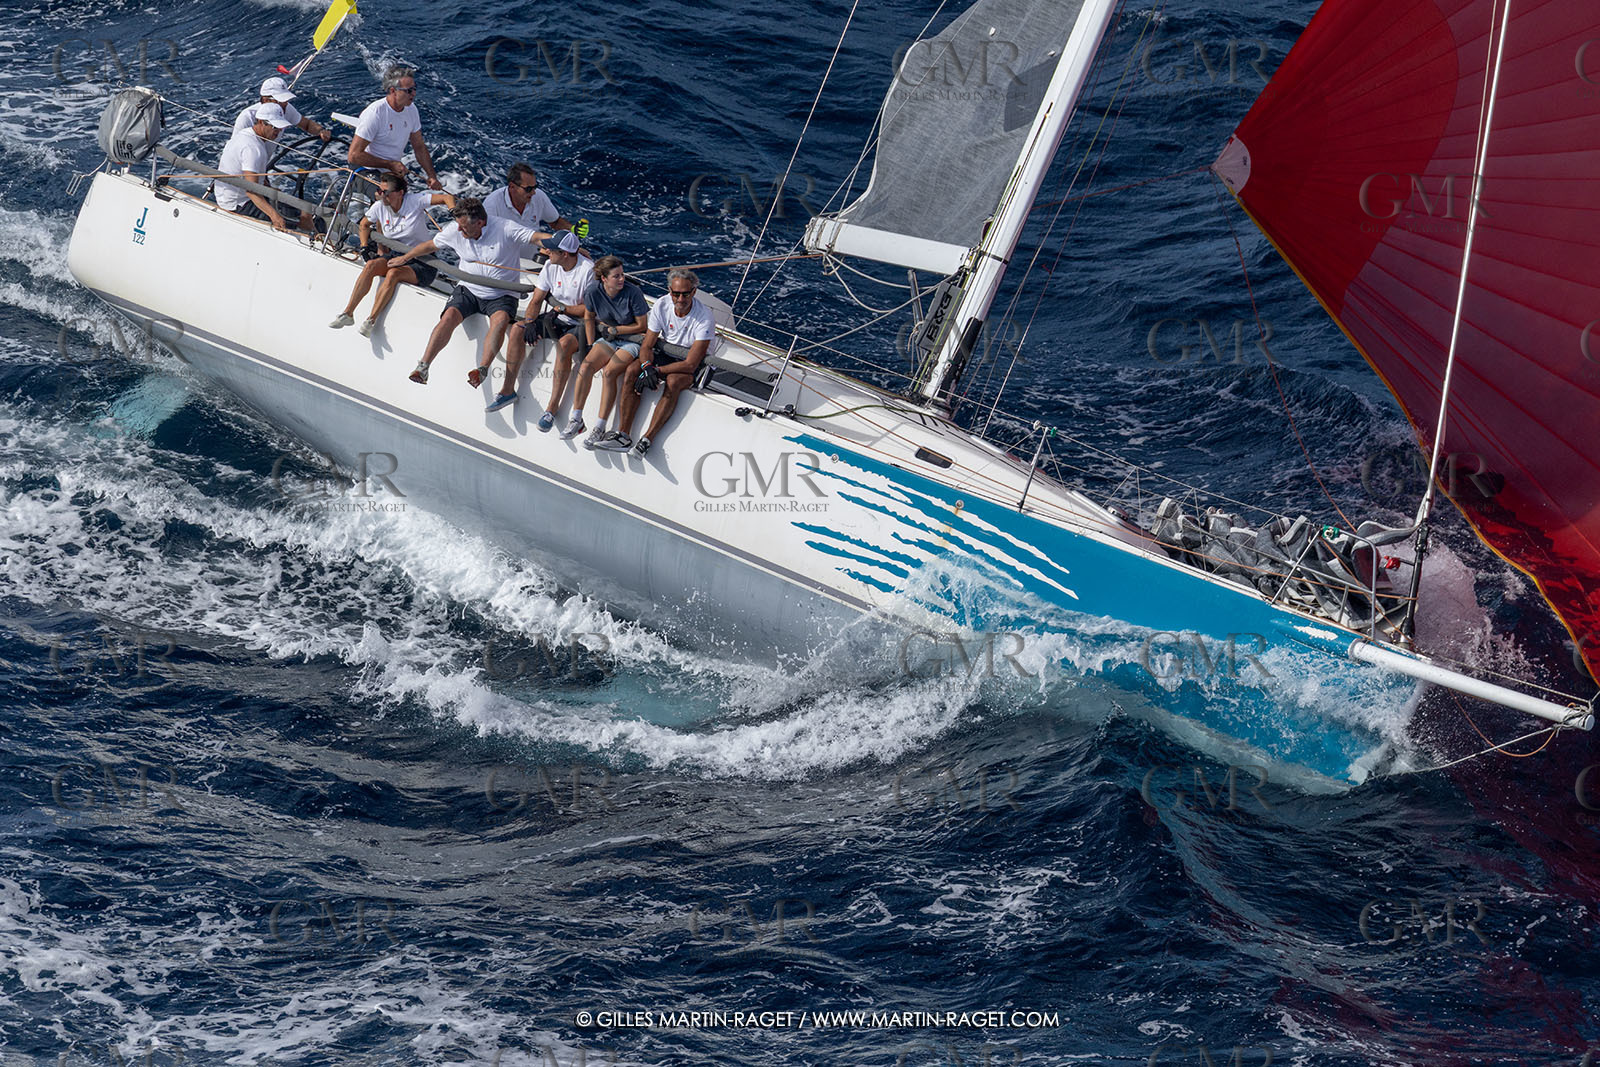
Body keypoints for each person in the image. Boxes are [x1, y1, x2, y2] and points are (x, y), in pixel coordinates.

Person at [384, 198, 539, 385]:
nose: (459, 230)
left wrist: (568, 247)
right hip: (468, 289)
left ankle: (482, 369)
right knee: (448, 317)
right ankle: (423, 366)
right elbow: (430, 246)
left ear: (480, 223)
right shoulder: (455, 229)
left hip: (501, 294)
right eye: (458, 225)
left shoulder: (505, 228)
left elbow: (538, 238)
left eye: (464, 226)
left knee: (499, 321)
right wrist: (405, 257)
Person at [594, 269, 718, 455]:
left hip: (694, 363)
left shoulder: (704, 317)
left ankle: (647, 440)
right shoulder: (662, 304)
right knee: (633, 370)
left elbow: (691, 364)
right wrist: (647, 367)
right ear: (670, 291)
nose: (681, 299)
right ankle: (623, 436)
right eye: (676, 294)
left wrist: (656, 372)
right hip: (667, 353)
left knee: (674, 381)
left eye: (686, 294)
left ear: (693, 292)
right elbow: (646, 346)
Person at [328, 173, 455, 336]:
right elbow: (364, 224)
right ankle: (348, 313)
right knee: (371, 265)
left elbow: (447, 198)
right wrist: (364, 246)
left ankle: (371, 320)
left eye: (385, 192)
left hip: (423, 262)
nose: (380, 195)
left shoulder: (414, 201)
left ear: (400, 193)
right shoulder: (380, 206)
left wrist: (453, 213)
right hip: (397, 255)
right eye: (379, 191)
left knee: (394, 273)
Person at [488, 231, 594, 420]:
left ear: (565, 254)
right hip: (555, 317)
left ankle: (552, 408)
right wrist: (529, 323)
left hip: (580, 323)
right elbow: (536, 300)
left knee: (564, 346)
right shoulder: (550, 265)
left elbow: (589, 310)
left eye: (551, 249)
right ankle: (507, 391)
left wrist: (562, 309)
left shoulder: (588, 271)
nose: (546, 250)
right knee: (517, 331)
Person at [565, 256, 648, 442]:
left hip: (631, 341)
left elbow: (642, 325)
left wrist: (618, 330)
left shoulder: (633, 292)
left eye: (622, 275)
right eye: (616, 276)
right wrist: (589, 344)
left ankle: (600, 427)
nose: (622, 279)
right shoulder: (593, 291)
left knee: (609, 372)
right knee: (585, 367)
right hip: (609, 338)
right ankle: (576, 419)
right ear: (604, 278)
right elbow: (589, 316)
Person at [215, 103, 310, 233]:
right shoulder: (253, 149)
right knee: (301, 219)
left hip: (226, 196)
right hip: (238, 203)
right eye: (274, 127)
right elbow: (251, 191)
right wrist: (275, 216)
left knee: (304, 210)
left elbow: (254, 177)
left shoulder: (245, 134)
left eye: (280, 127)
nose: (278, 131)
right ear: (261, 122)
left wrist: (272, 191)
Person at [347, 66, 442, 191]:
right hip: (364, 169)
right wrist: (389, 164)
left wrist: (432, 176)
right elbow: (353, 156)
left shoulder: (412, 110)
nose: (413, 93)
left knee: (404, 200)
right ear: (393, 91)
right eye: (408, 90)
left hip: (391, 170)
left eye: (414, 89)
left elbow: (419, 146)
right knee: (392, 196)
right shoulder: (375, 113)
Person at [484, 162, 571, 242]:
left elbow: (555, 222)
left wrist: (573, 229)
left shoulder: (539, 196)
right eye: (528, 189)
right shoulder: (492, 204)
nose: (533, 192)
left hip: (532, 258)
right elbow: (485, 239)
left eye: (535, 187)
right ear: (512, 187)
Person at [232, 76, 331, 143]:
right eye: (280, 100)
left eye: (286, 99)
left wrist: (321, 131)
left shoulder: (285, 109)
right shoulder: (247, 117)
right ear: (265, 100)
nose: (285, 104)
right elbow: (235, 148)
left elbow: (307, 124)